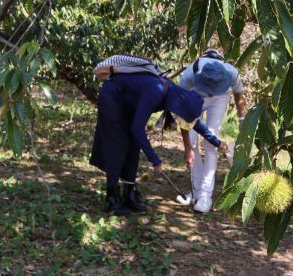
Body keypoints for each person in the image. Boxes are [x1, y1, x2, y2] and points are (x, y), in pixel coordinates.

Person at [89, 55, 225, 217]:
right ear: (180, 110)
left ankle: (129, 193)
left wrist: (217, 142)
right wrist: (155, 160)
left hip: (129, 103)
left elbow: (195, 123)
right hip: (112, 98)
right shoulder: (157, 90)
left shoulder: (178, 96)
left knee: (133, 147)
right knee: (117, 146)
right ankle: (112, 199)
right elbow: (138, 129)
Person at [178, 49, 246, 213]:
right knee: (191, 141)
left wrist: (243, 122)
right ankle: (196, 190)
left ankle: (205, 196)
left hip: (219, 100)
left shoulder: (231, 73)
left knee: (210, 144)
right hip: (195, 96)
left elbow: (239, 97)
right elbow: (182, 112)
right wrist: (187, 146)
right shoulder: (189, 76)